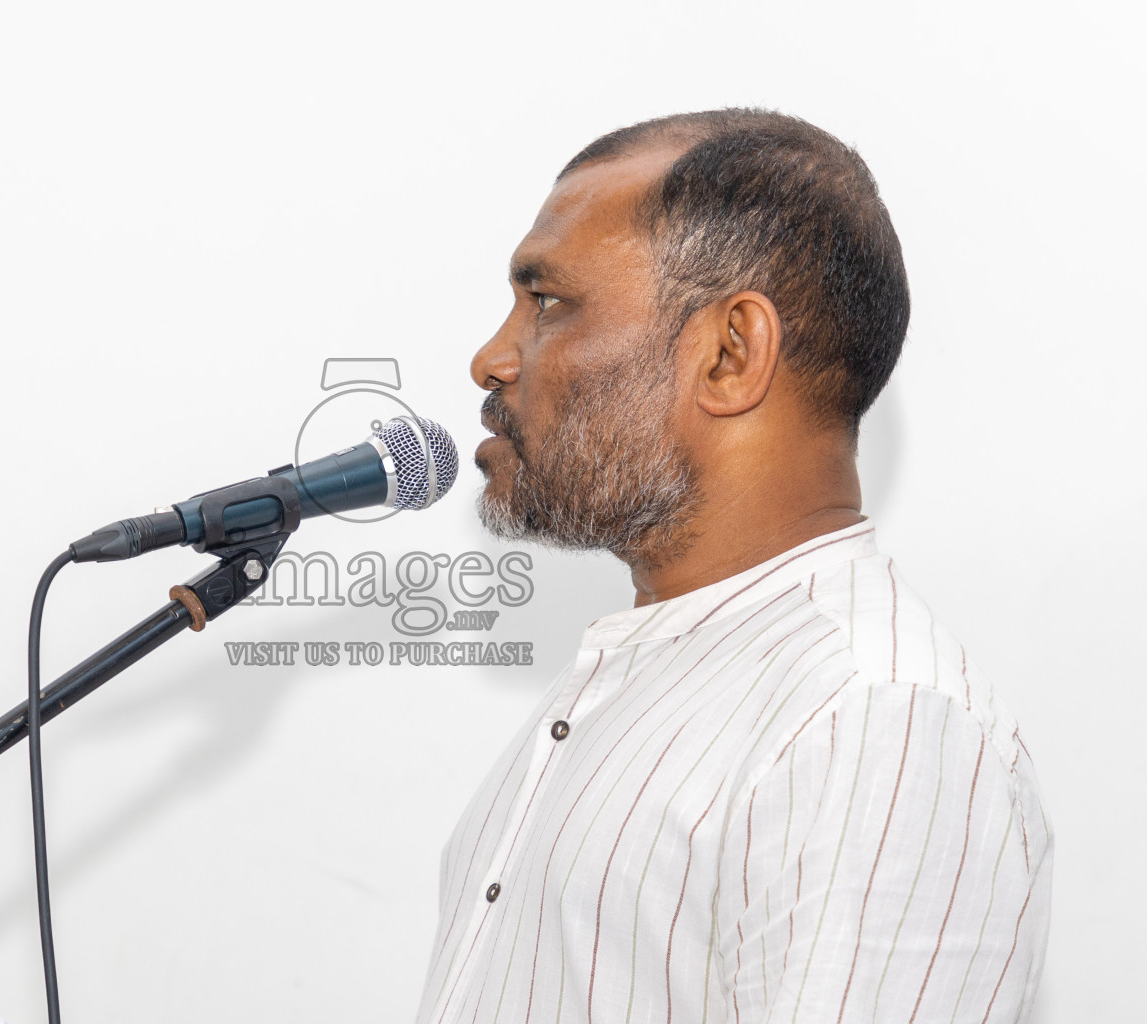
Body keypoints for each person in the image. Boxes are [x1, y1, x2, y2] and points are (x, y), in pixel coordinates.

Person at [416, 110, 1050, 1024]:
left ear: (730, 353)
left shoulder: (870, 721)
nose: (491, 358)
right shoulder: (654, 676)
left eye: (547, 301)